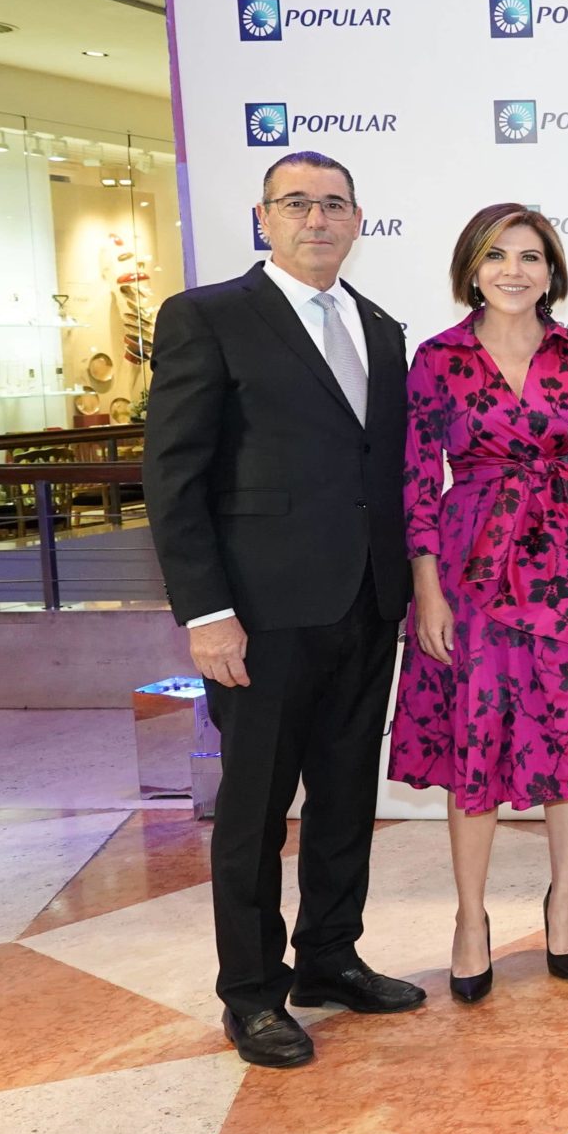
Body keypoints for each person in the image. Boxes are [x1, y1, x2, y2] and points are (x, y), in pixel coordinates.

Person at [143, 151, 425, 1068]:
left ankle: (331, 959)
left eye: (334, 204)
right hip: (259, 616)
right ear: (263, 218)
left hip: (366, 603)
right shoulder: (208, 316)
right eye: (296, 203)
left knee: (345, 796)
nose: (317, 219)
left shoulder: (380, 327)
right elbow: (174, 476)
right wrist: (205, 611)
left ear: (358, 220)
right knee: (256, 812)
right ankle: (253, 994)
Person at [387, 204, 568, 1000]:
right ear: (471, 267)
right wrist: (426, 587)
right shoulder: (437, 358)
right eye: (497, 255)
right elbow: (416, 478)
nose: (513, 271)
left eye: (530, 257)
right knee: (476, 742)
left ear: (552, 272)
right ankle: (471, 919)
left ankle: (564, 902)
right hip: (473, 568)